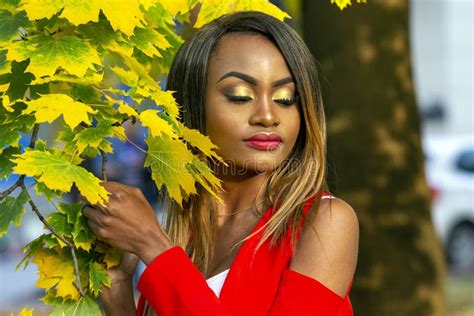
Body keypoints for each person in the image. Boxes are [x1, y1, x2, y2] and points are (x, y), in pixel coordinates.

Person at [83, 10, 359, 316]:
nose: (268, 116)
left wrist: (152, 245)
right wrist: (118, 294)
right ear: (190, 109)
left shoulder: (324, 223)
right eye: (240, 96)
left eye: (285, 98)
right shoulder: (185, 236)